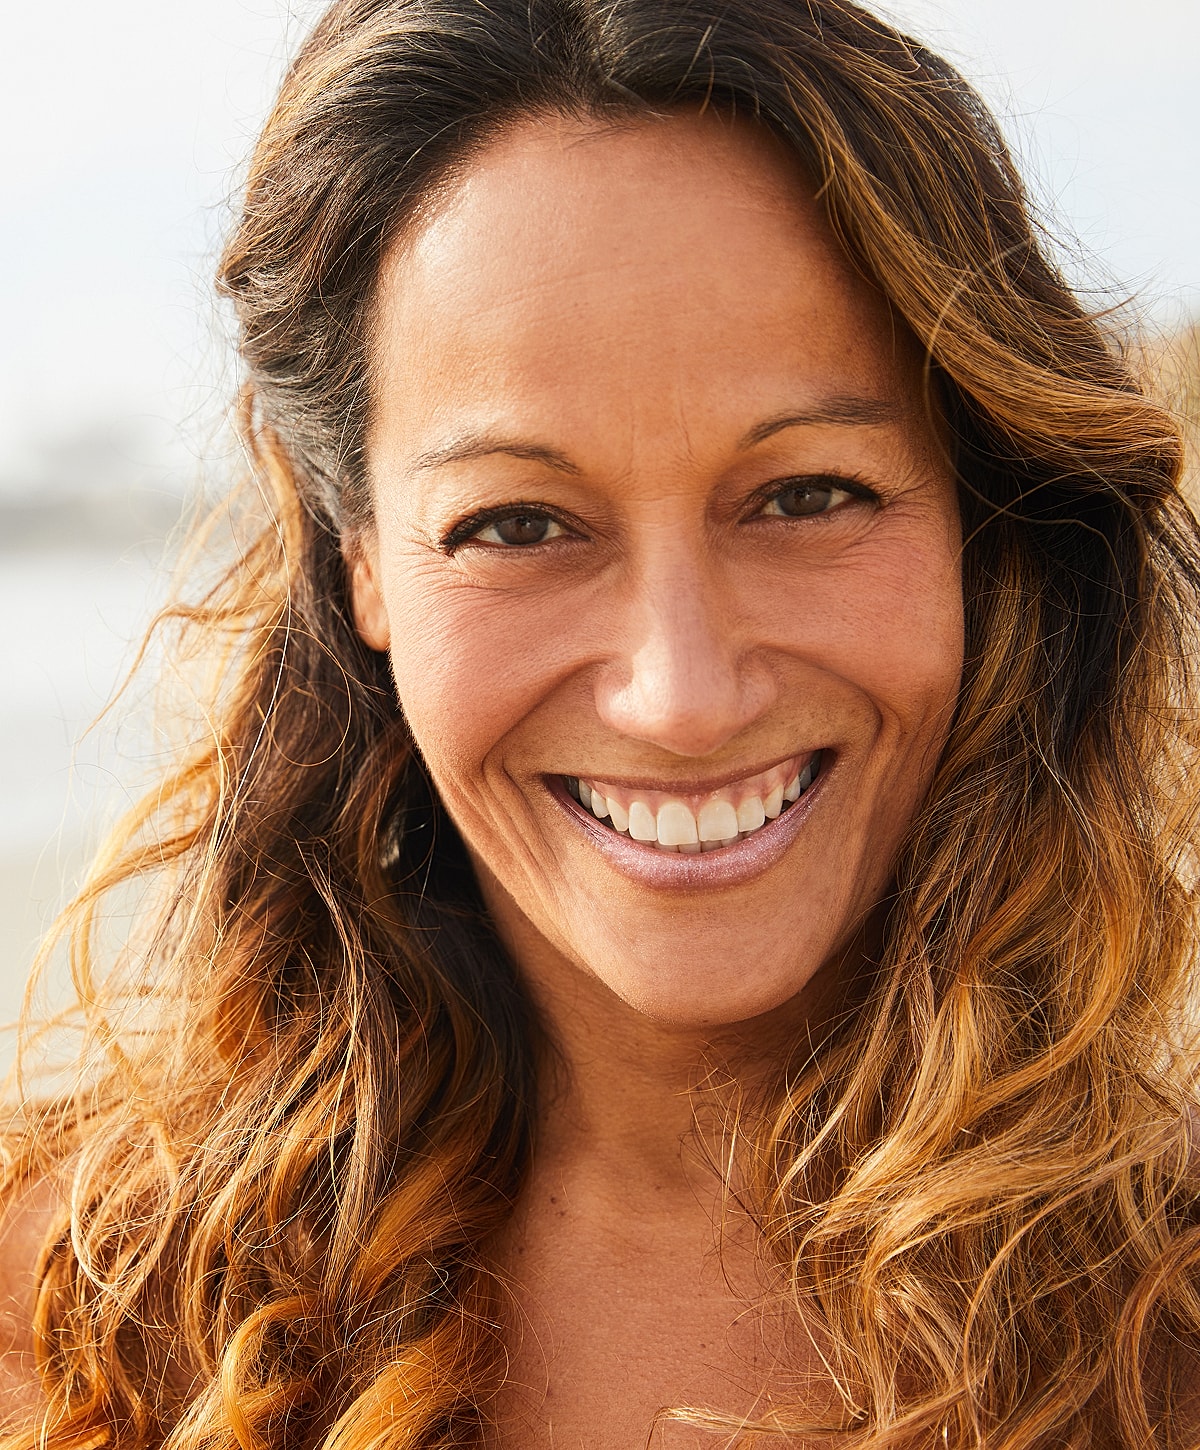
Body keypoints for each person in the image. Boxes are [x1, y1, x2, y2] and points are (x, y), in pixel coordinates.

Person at [2, 0, 1199, 1445]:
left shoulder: (1170, 1317)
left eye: (809, 493)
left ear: (980, 518)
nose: (681, 693)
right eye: (520, 521)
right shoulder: (73, 1317)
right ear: (359, 556)